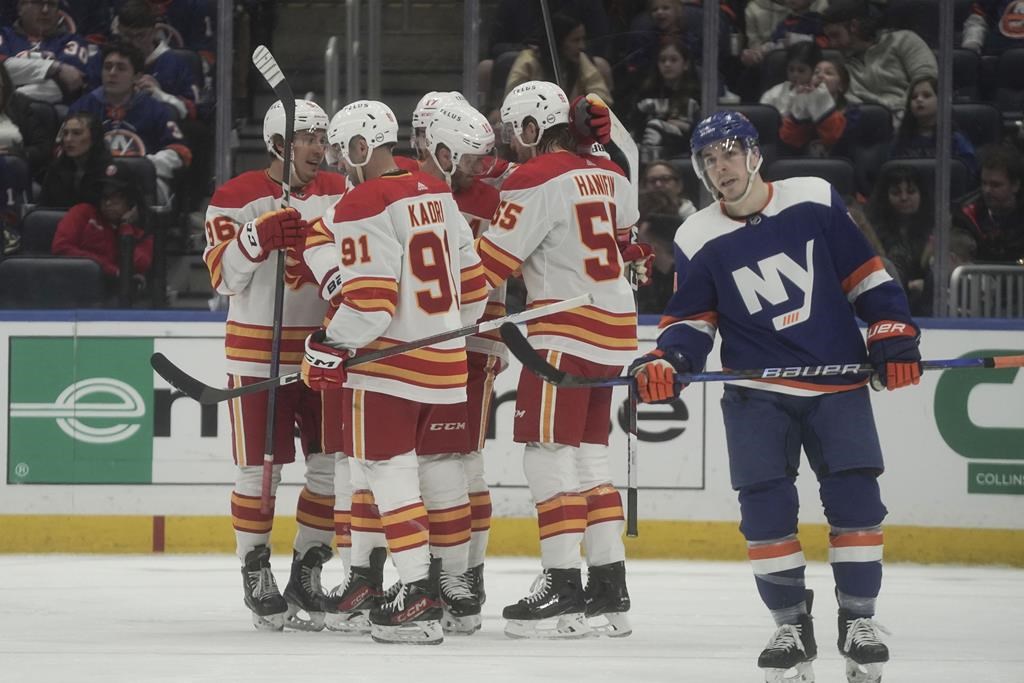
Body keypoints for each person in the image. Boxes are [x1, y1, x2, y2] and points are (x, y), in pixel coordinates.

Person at [630, 111, 920, 682]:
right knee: (765, 514)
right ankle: (789, 624)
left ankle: (859, 620)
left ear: (755, 155)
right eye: (709, 160)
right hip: (755, 394)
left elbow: (865, 275)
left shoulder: (813, 198)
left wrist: (892, 331)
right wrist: (669, 359)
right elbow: (690, 321)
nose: (720, 168)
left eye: (729, 154)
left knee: (857, 503)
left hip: (835, 384)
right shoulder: (697, 235)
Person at [300, 98, 488, 645]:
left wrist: (328, 344)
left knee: (387, 475)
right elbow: (474, 290)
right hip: (445, 363)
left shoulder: (364, 201)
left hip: (387, 367)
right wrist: (439, 328)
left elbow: (372, 304)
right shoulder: (434, 192)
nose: (342, 160)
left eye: (344, 149)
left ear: (361, 146)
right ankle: (410, 586)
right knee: (415, 476)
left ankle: (417, 596)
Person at [475, 80, 644, 639]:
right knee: (590, 461)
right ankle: (609, 589)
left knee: (548, 456)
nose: (511, 143)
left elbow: (491, 264)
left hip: (563, 335)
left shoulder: (533, 177)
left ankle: (562, 584)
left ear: (530, 128)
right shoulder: (612, 174)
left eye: (514, 130)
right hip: (614, 331)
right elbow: (627, 242)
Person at [202, 98, 347, 632]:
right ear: (279, 145)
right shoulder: (235, 197)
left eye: (322, 137)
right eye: (307, 137)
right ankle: (254, 566)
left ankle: (308, 569)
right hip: (257, 351)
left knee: (330, 465)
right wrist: (255, 237)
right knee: (261, 469)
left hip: (322, 351)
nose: (318, 147)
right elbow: (221, 277)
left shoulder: (338, 191)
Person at [415, 101, 504, 633]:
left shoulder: (496, 194)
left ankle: (466, 574)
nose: (478, 165)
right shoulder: (408, 186)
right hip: (421, 344)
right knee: (421, 465)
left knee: (462, 460)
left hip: (477, 343)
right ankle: (436, 570)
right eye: (469, 155)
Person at [68, 40, 191, 204]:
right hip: (93, 182)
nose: (112, 73)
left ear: (137, 76)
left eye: (121, 68)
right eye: (107, 67)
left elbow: (181, 152)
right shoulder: (82, 107)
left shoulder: (157, 110)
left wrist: (143, 166)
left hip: (140, 185)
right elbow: (61, 151)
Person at [51, 162, 152, 299]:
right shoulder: (82, 213)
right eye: (105, 196)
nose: (108, 203)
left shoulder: (141, 234)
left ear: (131, 200)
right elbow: (61, 248)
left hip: (115, 297)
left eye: (116, 196)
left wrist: (125, 226)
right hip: (72, 288)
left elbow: (137, 266)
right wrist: (111, 270)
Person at [822, 0, 936, 117]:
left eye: (835, 35)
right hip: (870, 127)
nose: (832, 44)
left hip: (910, 122)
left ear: (854, 26)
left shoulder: (904, 40)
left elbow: (926, 80)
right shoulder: (840, 69)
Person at [866, 164, 936, 314]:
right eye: (896, 193)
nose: (904, 198)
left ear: (921, 194)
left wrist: (927, 285)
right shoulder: (871, 228)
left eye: (911, 192)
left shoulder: (937, 226)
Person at [504, 13, 613, 106]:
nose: (582, 46)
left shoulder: (580, 59)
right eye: (575, 40)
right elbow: (512, 102)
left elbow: (603, 100)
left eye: (583, 39)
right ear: (558, 42)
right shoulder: (528, 62)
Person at [0, 0, 96, 104]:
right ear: (21, 8)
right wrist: (54, 68)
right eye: (38, 3)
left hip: (51, 114)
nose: (45, 10)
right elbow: (2, 71)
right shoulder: (4, 36)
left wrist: (10, 98)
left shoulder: (73, 41)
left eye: (51, 4)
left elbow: (68, 82)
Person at [890, 75, 978, 177]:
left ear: (941, 101)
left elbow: (968, 173)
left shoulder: (955, 139)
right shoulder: (900, 140)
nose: (919, 100)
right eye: (914, 97)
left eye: (926, 96)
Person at [629, 40, 701, 161]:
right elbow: (635, 126)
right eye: (662, 60)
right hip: (647, 148)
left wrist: (680, 125)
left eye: (673, 60)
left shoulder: (696, 95)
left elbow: (699, 130)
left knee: (655, 125)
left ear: (685, 64)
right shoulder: (646, 93)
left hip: (683, 151)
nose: (667, 64)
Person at [780, 57, 863, 159]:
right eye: (816, 72)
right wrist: (799, 112)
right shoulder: (803, 106)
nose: (820, 75)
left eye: (828, 73)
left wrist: (824, 110)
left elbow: (840, 146)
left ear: (841, 85)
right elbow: (789, 144)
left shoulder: (853, 114)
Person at [956, 143, 1024, 264]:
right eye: (984, 183)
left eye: (995, 185)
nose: (987, 190)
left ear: (1015, 186)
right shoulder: (965, 217)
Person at [37, 112, 112, 208]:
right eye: (65, 133)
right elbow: (43, 208)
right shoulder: (55, 169)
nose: (68, 139)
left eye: (77, 133)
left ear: (94, 137)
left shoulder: (109, 172)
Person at [759, 40, 821, 119]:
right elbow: (762, 115)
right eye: (791, 69)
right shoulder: (774, 93)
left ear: (814, 71)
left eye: (801, 70)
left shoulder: (819, 94)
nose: (795, 74)